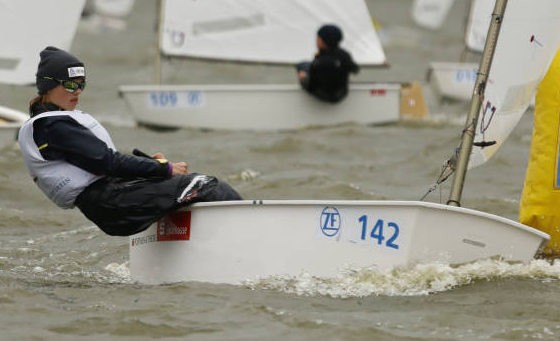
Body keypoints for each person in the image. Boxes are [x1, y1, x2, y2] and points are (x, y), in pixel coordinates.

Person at [18, 46, 242, 237]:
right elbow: (107, 162)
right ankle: (249, 236)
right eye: (70, 85)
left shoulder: (54, 122)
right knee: (207, 185)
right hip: (112, 202)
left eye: (81, 84)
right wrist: (164, 169)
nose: (77, 91)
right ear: (48, 86)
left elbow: (102, 165)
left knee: (186, 193)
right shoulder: (52, 126)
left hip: (111, 201)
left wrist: (154, 168)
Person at [296, 24, 360, 103]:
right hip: (341, 93)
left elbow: (311, 87)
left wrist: (303, 79)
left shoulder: (318, 62)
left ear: (322, 41)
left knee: (302, 65)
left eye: (318, 38)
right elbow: (355, 69)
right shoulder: (345, 55)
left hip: (326, 96)